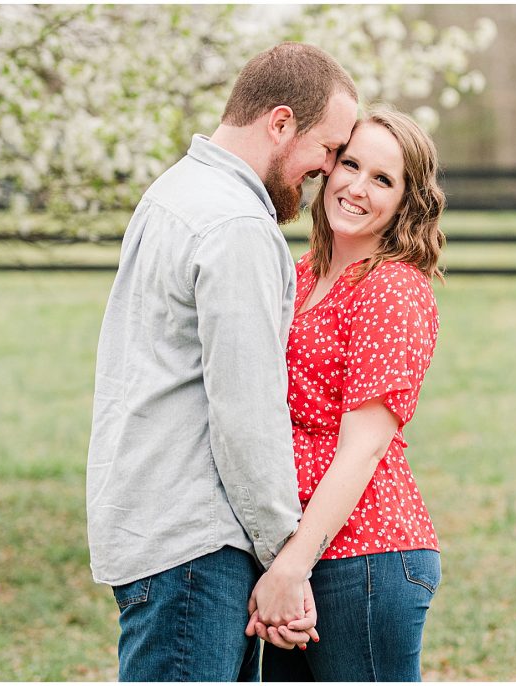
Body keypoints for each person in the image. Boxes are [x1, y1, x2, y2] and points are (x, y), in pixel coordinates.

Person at [85, 42, 358, 681]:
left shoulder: (174, 192)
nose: (327, 170)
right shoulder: (236, 224)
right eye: (327, 148)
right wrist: (285, 557)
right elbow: (246, 411)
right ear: (282, 122)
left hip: (151, 524)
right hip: (196, 543)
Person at [245, 106, 447, 682]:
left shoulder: (392, 289)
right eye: (350, 164)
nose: (357, 187)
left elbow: (363, 448)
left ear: (408, 201)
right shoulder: (303, 273)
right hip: (299, 552)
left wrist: (293, 564)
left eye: (382, 179)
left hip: (364, 558)